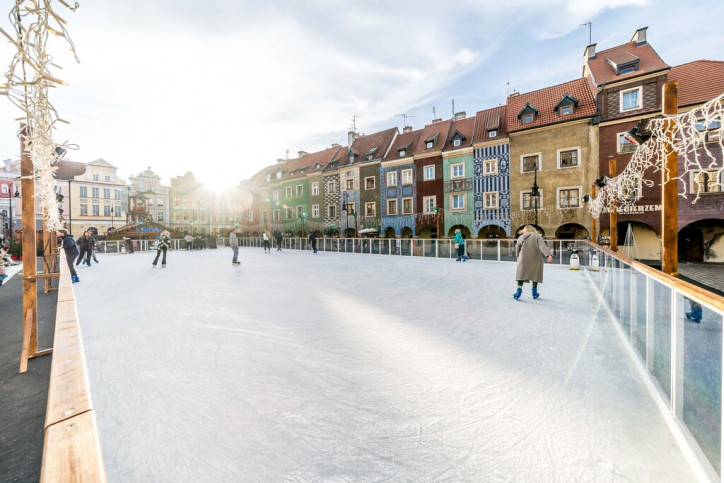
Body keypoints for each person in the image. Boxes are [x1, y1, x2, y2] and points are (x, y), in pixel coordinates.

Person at [514, 225, 553, 300]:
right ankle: (534, 292)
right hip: (535, 258)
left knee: (521, 274)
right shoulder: (537, 236)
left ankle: (518, 291)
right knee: (536, 274)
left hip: (523, 258)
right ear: (533, 230)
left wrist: (517, 255)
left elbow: (517, 247)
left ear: (524, 230)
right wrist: (548, 255)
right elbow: (542, 246)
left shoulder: (521, 237)